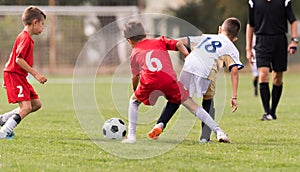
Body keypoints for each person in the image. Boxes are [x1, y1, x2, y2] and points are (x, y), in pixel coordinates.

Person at [121, 19, 230, 144]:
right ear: (145, 34)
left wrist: (136, 90)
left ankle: (131, 136)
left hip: (149, 83)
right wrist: (186, 55)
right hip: (169, 81)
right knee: (193, 106)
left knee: (133, 102)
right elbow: (178, 44)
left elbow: (135, 76)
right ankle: (218, 131)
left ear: (129, 41)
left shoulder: (134, 53)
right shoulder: (160, 40)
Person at [148, 17, 244, 142]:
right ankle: (205, 137)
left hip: (189, 65)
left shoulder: (205, 37)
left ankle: (160, 124)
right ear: (235, 39)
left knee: (177, 97)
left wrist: (156, 46)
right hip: (206, 72)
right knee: (208, 100)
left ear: (220, 29)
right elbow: (234, 71)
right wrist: (234, 97)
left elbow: (179, 42)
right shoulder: (232, 48)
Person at [246, 0, 298, 120]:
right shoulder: (253, 2)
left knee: (277, 78)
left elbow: (293, 21)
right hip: (261, 41)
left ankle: (273, 111)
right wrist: (248, 48)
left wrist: (294, 41)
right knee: (263, 74)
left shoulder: (284, 1)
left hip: (280, 41)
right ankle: (267, 112)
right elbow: (251, 25)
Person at [0, 6, 47, 139]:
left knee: (36, 104)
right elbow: (18, 59)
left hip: (16, 75)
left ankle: (4, 119)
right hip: (15, 75)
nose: (43, 28)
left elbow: (12, 57)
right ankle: (4, 132)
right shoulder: (25, 38)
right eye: (42, 24)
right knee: (26, 107)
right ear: (35, 22)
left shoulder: (24, 36)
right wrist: (36, 74)